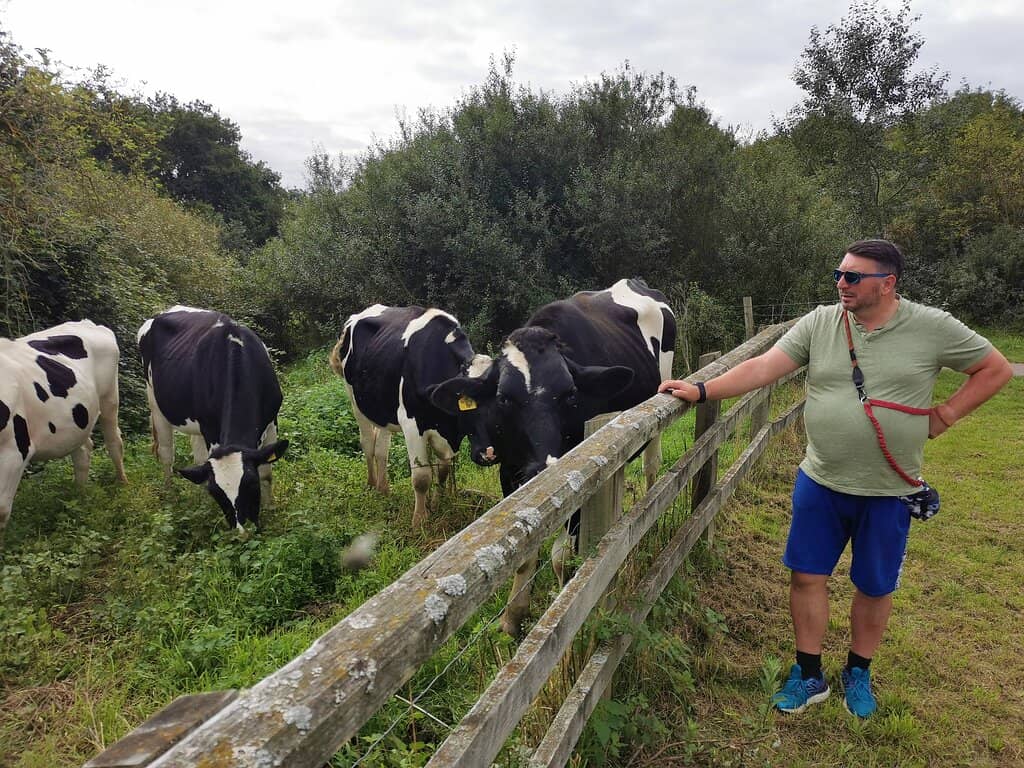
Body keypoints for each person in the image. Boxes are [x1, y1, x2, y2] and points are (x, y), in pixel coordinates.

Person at [659, 239, 1013, 718]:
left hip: (889, 490)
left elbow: (994, 369)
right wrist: (702, 389)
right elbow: (765, 366)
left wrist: (945, 414)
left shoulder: (932, 326)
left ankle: (858, 672)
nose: (841, 284)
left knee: (875, 585)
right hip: (821, 480)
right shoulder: (821, 323)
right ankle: (808, 674)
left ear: (887, 283)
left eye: (853, 276)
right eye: (839, 274)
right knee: (807, 575)